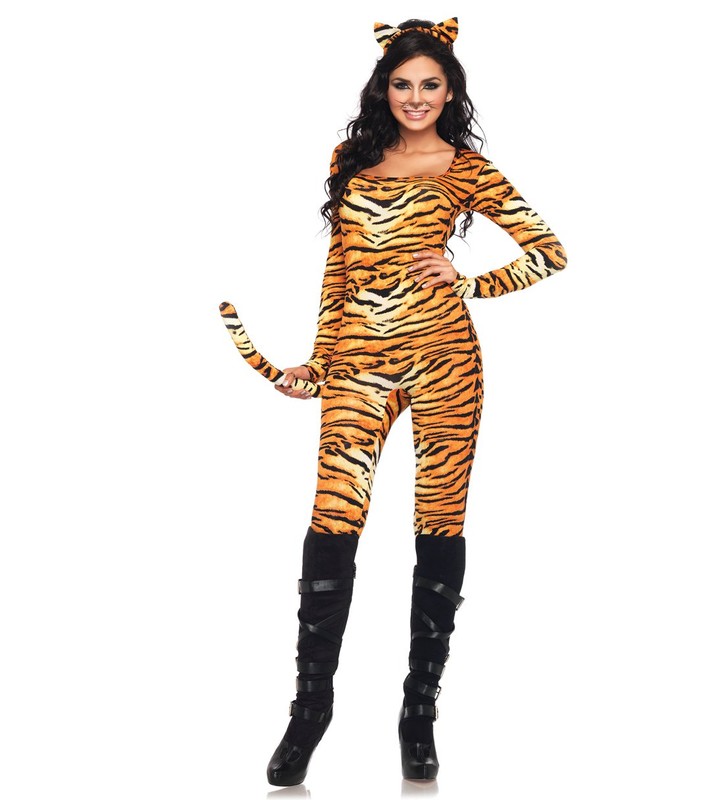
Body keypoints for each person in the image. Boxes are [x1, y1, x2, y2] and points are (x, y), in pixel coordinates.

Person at [265, 16, 567, 786]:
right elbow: (339, 271)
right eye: (402, 84)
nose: (416, 97)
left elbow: (550, 251)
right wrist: (321, 360)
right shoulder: (351, 159)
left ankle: (419, 711)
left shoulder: (466, 169)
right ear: (383, 89)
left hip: (444, 360)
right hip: (360, 361)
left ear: (451, 91)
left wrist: (470, 282)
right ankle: (309, 709)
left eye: (431, 85)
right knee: (333, 517)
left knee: (439, 518)